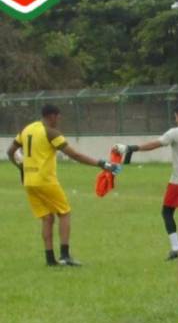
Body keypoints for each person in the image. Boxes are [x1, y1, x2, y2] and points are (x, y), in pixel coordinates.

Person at [6, 104, 121, 266]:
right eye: (58, 116)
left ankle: (50, 259)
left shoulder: (27, 129)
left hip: (29, 181)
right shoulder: (51, 133)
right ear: (52, 116)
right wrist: (102, 164)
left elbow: (10, 152)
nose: (59, 119)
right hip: (45, 181)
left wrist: (20, 167)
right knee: (64, 213)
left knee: (47, 218)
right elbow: (75, 155)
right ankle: (65, 256)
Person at [114, 102, 178, 260]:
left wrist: (132, 148)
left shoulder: (175, 132)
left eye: (176, 116)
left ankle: (177, 248)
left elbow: (155, 144)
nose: (175, 119)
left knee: (167, 212)